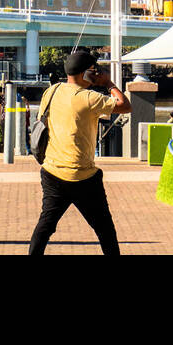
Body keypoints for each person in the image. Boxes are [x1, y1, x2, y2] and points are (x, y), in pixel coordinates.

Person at [29, 50, 131, 256]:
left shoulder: (52, 91)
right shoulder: (89, 98)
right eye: (95, 71)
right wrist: (109, 83)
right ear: (86, 74)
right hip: (82, 176)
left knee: (45, 225)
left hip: (51, 172)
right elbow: (125, 106)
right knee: (104, 230)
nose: (97, 74)